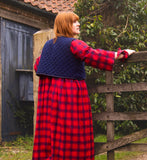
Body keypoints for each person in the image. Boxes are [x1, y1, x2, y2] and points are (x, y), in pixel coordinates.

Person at [32, 12, 135, 160]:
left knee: (53, 132)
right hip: (69, 96)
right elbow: (92, 55)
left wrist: (57, 69)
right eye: (74, 22)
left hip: (50, 98)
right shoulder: (74, 43)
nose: (78, 24)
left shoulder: (49, 45)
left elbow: (38, 66)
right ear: (65, 25)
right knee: (73, 134)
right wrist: (121, 54)